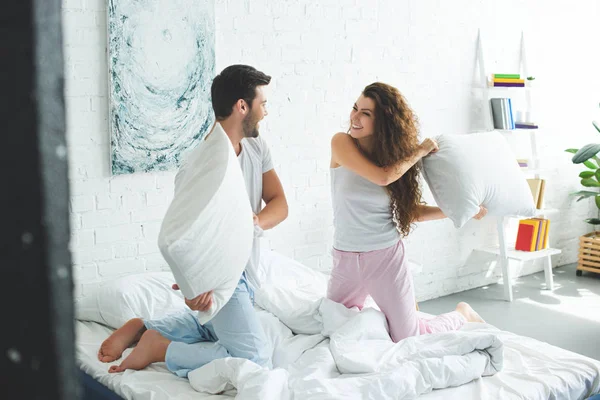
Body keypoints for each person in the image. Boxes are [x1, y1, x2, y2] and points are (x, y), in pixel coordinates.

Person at [97, 65, 288, 377]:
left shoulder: (256, 147)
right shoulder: (198, 166)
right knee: (256, 361)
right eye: (262, 104)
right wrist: (192, 285)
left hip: (247, 267)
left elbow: (280, 205)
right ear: (242, 106)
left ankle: (145, 326)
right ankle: (160, 348)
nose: (265, 112)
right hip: (223, 278)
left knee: (217, 330)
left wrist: (251, 223)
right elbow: (182, 234)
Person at [328, 82, 487, 343]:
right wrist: (420, 150)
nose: (355, 117)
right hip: (345, 258)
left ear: (383, 121)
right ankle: (405, 306)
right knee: (331, 324)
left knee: (407, 336)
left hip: (384, 258)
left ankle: (461, 314)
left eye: (366, 114)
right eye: (355, 108)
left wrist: (458, 211)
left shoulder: (395, 161)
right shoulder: (341, 143)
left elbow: (409, 212)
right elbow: (382, 178)